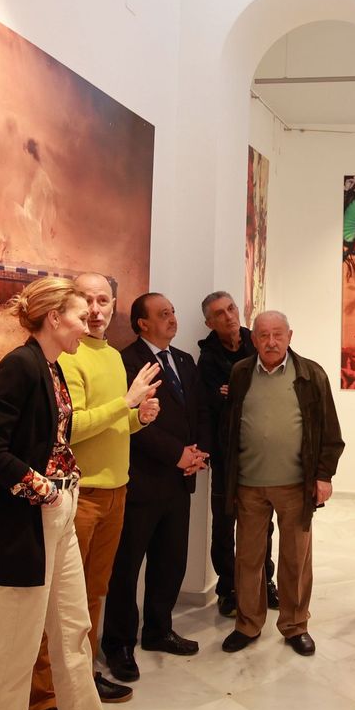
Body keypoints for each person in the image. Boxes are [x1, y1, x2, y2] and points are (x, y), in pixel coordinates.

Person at [0, 277, 141, 710]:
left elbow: (53, 439)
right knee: (12, 655)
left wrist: (62, 483)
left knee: (73, 630)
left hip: (56, 515)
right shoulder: (19, 366)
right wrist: (40, 486)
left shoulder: (53, 368)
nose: (90, 322)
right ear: (51, 316)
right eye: (81, 313)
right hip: (25, 524)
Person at [23, 272, 161, 710]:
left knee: (92, 596)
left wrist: (137, 419)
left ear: (115, 305)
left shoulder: (111, 356)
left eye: (104, 300)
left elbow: (114, 427)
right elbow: (71, 429)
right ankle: (42, 703)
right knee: (57, 602)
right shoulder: (65, 356)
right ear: (71, 304)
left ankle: (79, 680)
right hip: (79, 496)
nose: (97, 310)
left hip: (117, 490)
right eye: (88, 300)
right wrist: (126, 404)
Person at [220, 310, 344, 657]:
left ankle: (294, 625)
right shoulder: (242, 372)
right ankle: (247, 624)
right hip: (248, 485)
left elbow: (330, 432)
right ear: (254, 339)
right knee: (247, 558)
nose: (271, 342)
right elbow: (230, 427)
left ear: (290, 336)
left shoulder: (310, 374)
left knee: (296, 559)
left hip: (295, 486)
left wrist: (324, 475)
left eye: (278, 335)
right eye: (263, 335)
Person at [102, 292, 209, 683]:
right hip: (141, 483)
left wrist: (198, 454)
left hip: (180, 483)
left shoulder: (183, 361)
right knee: (127, 568)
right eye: (162, 314)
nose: (172, 319)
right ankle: (119, 644)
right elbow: (132, 422)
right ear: (142, 323)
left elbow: (199, 411)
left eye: (173, 312)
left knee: (170, 562)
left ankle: (159, 630)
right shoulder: (125, 361)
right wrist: (176, 454)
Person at [195, 290, 276, 618]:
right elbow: (207, 404)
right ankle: (228, 586)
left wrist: (236, 391)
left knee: (263, 522)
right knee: (224, 522)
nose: (229, 316)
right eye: (220, 313)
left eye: (231, 309)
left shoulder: (256, 342)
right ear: (209, 322)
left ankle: (264, 582)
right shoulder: (207, 358)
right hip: (226, 454)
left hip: (260, 451)